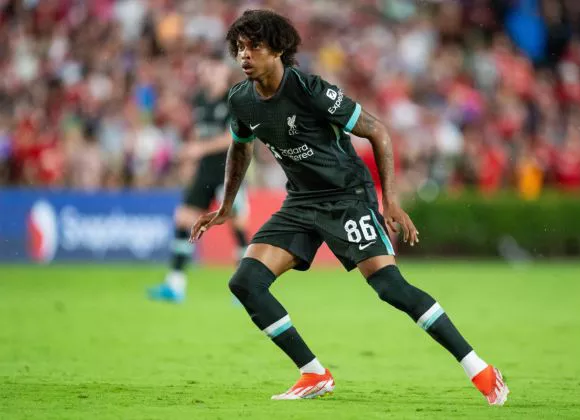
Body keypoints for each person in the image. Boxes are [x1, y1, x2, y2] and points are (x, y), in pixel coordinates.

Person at [190, 10, 509, 405]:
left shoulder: (309, 89)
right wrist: (227, 204)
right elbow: (240, 148)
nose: (244, 55)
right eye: (239, 47)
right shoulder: (240, 99)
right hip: (300, 202)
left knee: (389, 287)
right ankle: (313, 373)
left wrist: (389, 200)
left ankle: (479, 367)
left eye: (254, 46)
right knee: (245, 283)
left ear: (279, 50)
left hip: (346, 198)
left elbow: (377, 129)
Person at [149, 59, 250, 303]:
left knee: (236, 224)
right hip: (205, 170)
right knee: (183, 218)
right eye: (205, 68)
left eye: (213, 68)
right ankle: (175, 285)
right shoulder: (200, 100)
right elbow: (197, 133)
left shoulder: (234, 99)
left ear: (224, 71)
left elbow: (233, 137)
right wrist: (191, 160)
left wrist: (198, 149)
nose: (207, 73)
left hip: (229, 170)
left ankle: (245, 288)